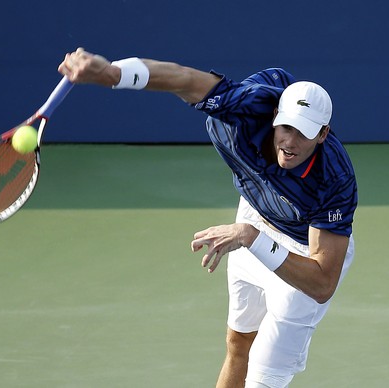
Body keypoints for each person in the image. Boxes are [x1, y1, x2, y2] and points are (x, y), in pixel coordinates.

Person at [58, 48, 358, 388]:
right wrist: (112, 74)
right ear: (274, 115)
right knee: (238, 343)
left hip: (301, 255)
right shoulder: (247, 107)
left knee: (263, 377)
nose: (290, 142)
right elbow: (182, 78)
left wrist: (250, 237)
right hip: (255, 214)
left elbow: (321, 284)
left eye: (304, 133)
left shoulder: (335, 180)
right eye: (285, 127)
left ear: (323, 134)